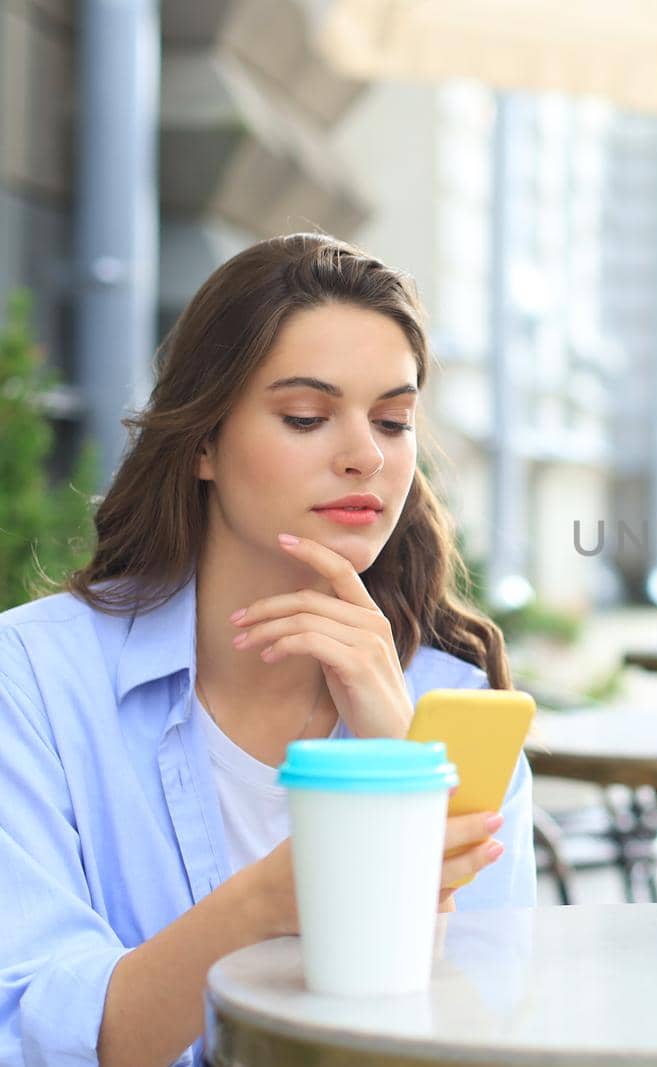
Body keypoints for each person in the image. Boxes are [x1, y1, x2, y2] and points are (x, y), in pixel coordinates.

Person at [0, 234, 536, 1067]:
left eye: (393, 421)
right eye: (306, 417)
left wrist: (401, 758)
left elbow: (484, 1037)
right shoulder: (33, 678)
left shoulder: (452, 710)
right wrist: (271, 900)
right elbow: (41, 1034)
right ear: (203, 442)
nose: (365, 453)